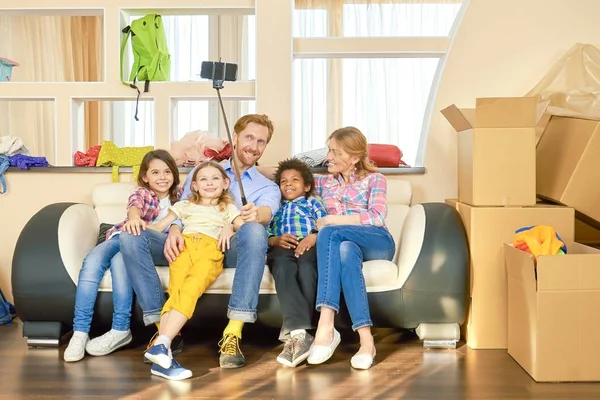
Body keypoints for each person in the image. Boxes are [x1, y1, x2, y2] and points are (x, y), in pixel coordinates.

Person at [124, 114, 280, 369]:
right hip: (185, 242)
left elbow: (264, 213)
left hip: (226, 247)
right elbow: (183, 208)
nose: (253, 146)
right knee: (133, 238)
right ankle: (163, 332)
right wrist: (174, 229)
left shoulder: (267, 187)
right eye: (249, 137)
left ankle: (233, 332)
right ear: (236, 137)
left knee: (254, 231)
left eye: (261, 142)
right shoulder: (203, 170)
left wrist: (243, 219)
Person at [64, 149, 181, 362]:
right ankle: (80, 332)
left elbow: (181, 221)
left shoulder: (181, 197)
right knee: (92, 261)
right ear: (145, 176)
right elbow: (134, 207)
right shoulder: (143, 193)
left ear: (174, 173)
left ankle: (120, 329)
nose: (162, 177)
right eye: (155, 173)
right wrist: (134, 218)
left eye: (167, 172)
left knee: (120, 261)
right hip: (123, 234)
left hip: (144, 244)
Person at [144, 161, 244, 380]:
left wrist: (229, 226)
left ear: (226, 183)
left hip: (210, 249)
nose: (209, 183)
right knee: (176, 291)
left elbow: (243, 227)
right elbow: (159, 228)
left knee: (191, 288)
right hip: (183, 247)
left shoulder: (227, 208)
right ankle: (163, 358)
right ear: (195, 186)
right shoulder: (184, 205)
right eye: (204, 179)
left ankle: (162, 344)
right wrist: (132, 225)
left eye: (215, 178)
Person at [306, 127, 395, 370]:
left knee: (330, 231)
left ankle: (326, 324)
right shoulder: (323, 182)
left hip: (377, 241)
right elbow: (286, 173)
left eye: (336, 152)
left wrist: (333, 220)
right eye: (329, 150)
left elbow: (376, 216)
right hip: (347, 243)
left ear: (355, 158)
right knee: (344, 250)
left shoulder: (375, 179)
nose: (329, 157)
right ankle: (366, 341)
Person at [266, 158, 327, 367]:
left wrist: (314, 236)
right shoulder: (277, 206)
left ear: (307, 186)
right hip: (282, 245)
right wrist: (275, 240)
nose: (289, 184)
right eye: (284, 181)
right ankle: (300, 332)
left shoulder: (313, 202)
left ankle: (302, 331)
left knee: (307, 268)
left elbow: (325, 222)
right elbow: (267, 230)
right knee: (282, 267)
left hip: (309, 243)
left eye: (295, 180)